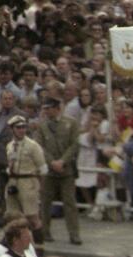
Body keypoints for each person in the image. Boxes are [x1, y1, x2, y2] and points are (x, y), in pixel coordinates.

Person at [33, 96, 82, 245]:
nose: (46, 111)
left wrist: (62, 161)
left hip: (67, 170)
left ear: (57, 108)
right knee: (46, 202)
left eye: (49, 108)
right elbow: (39, 146)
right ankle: (45, 231)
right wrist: (52, 162)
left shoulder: (71, 123)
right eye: (45, 109)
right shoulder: (42, 126)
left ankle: (74, 234)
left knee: (70, 203)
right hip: (48, 170)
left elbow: (74, 145)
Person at [3, 115, 48, 245]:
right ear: (12, 129)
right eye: (18, 128)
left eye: (23, 127)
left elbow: (43, 168)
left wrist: (40, 186)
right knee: (12, 216)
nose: (21, 130)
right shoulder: (10, 146)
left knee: (32, 216)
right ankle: (15, 244)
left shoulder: (33, 146)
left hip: (28, 181)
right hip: (13, 181)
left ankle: (39, 247)